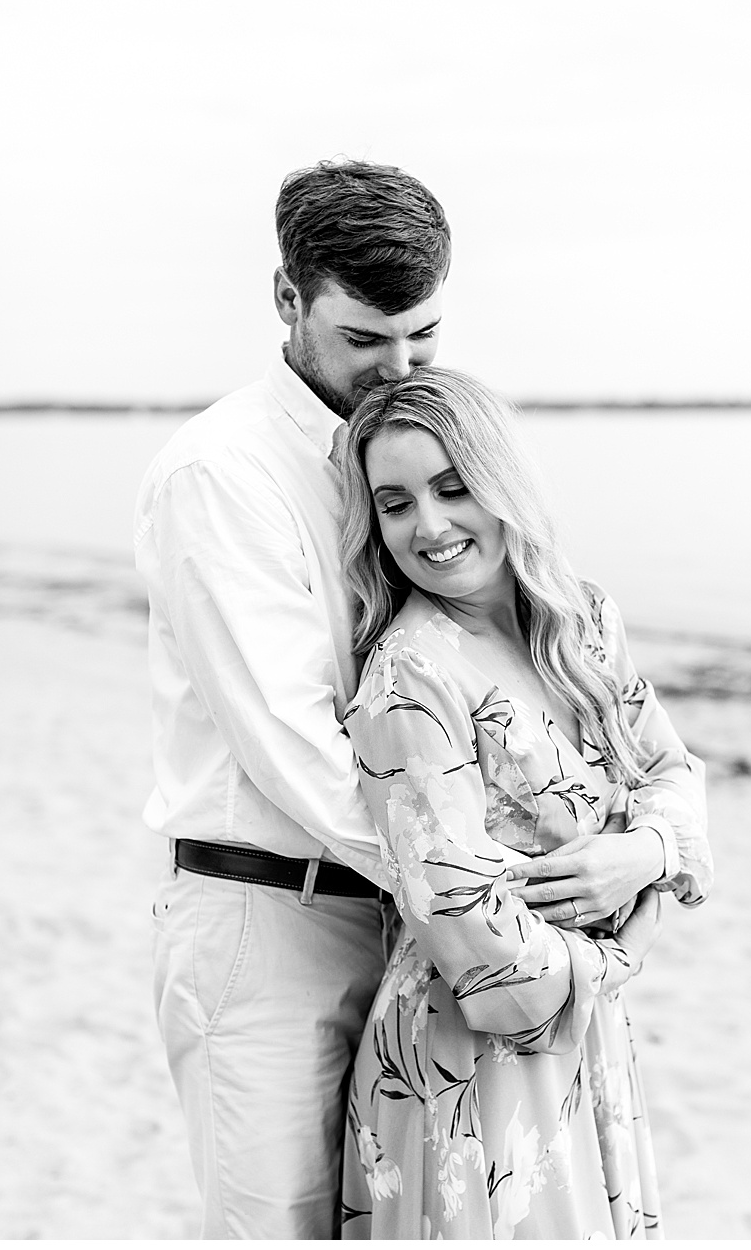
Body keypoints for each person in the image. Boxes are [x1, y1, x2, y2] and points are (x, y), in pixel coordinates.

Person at [135, 160, 679, 1238]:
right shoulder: (222, 473)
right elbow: (296, 743)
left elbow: (591, 718)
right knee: (283, 1227)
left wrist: (644, 849)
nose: (396, 366)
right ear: (288, 300)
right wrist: (500, 897)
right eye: (365, 339)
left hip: (415, 927)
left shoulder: (414, 447)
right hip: (273, 919)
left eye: (421, 336)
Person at [335, 366, 711, 1237]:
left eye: (453, 487)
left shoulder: (583, 623)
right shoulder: (410, 676)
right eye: (395, 503)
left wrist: (645, 855)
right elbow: (463, 920)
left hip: (589, 1042)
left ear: (503, 480)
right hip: (473, 1058)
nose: (428, 526)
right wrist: (624, 953)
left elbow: (674, 771)